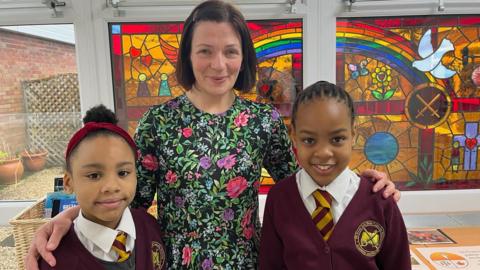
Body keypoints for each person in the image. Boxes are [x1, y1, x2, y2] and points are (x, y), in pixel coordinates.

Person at [26, 1, 400, 269]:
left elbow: (308, 182)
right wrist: (69, 218)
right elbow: (125, 201)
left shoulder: (262, 119)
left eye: (230, 52)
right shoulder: (159, 122)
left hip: (251, 262)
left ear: (244, 57)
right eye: (205, 51)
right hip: (175, 263)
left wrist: (369, 187)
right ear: (188, 55)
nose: (218, 64)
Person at [259, 81, 410, 270]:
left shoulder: (380, 200)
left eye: (337, 139)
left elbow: (399, 264)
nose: (323, 152)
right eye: (309, 140)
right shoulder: (279, 198)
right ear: (294, 137)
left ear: (353, 134)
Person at [39, 105, 166, 270]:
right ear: (69, 182)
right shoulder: (55, 260)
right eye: (94, 175)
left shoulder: (149, 227)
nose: (111, 187)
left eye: (123, 172)